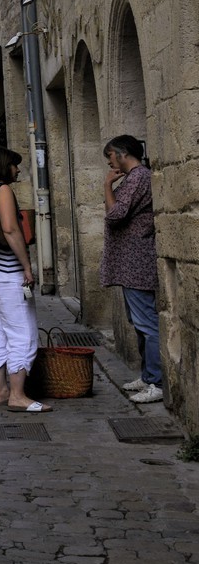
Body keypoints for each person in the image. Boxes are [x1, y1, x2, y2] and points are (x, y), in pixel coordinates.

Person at [0, 146, 47, 412]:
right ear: (5, 166)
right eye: (15, 165)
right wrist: (27, 266)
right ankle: (17, 394)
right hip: (5, 272)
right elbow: (9, 229)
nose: (17, 170)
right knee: (22, 332)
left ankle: (1, 390)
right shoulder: (2, 190)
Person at [102, 135, 162, 404]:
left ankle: (156, 381)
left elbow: (116, 215)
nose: (110, 162)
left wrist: (107, 186)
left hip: (136, 261)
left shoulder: (138, 177)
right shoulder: (134, 178)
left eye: (111, 156)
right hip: (130, 261)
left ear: (122, 153)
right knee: (139, 324)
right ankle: (148, 375)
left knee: (147, 324)